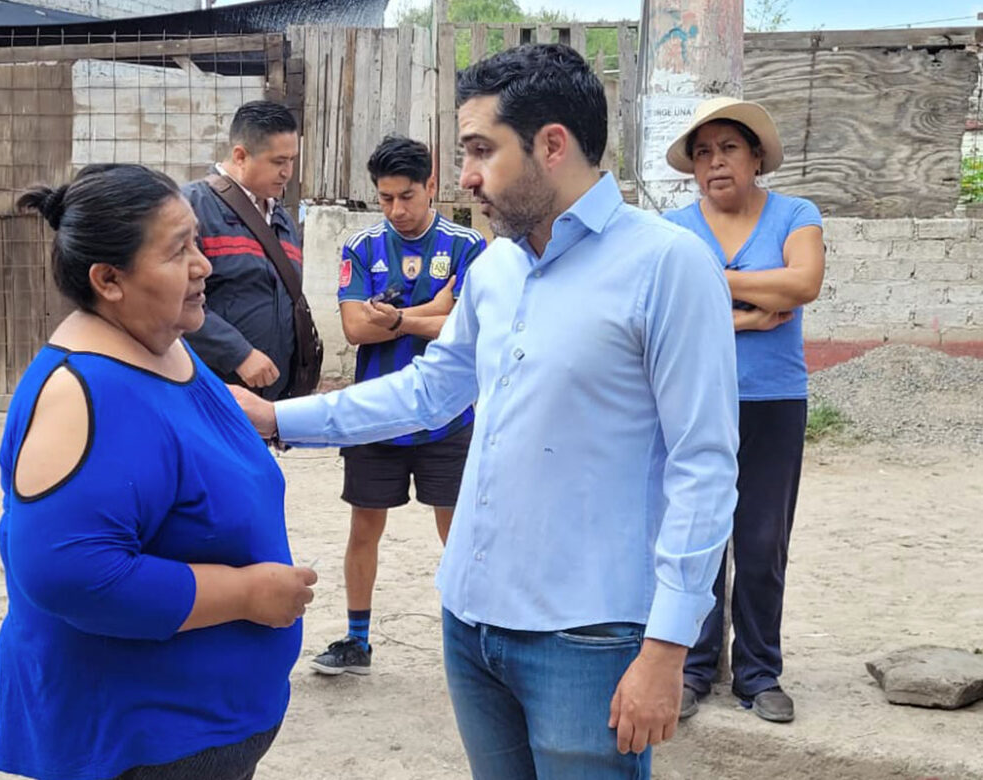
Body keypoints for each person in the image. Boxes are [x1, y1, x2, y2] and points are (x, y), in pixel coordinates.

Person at [231, 44, 738, 779]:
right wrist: (281, 420)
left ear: (553, 146)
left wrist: (667, 648)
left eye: (479, 150)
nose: (464, 176)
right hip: (470, 619)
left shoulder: (669, 267)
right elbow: (430, 391)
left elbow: (705, 464)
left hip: (587, 635)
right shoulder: (497, 269)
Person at [0, 163, 317, 780]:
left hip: (198, 726)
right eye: (179, 252)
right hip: (139, 740)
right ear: (109, 280)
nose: (204, 266)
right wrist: (248, 594)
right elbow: (69, 573)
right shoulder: (85, 393)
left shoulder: (162, 342)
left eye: (196, 241)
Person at [662, 97, 826, 724]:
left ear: (757, 157)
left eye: (729, 148)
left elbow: (803, 283)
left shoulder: (795, 213)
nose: (715, 162)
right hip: (694, 399)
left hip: (773, 401)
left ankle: (759, 674)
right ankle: (694, 669)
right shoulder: (675, 228)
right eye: (703, 152)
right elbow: (671, 309)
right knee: (695, 535)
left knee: (761, 541)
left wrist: (714, 281)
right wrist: (754, 305)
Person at [310, 135, 486, 676]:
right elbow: (355, 329)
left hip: (448, 416)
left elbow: (471, 329)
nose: (396, 210)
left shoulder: (468, 247)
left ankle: (475, 646)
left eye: (407, 196)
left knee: (457, 533)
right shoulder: (361, 247)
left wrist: (401, 319)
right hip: (376, 416)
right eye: (385, 198)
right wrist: (432, 313)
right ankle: (357, 641)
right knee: (365, 527)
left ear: (432, 186)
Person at [182, 100, 311, 400]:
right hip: (210, 392)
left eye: (292, 160)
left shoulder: (282, 219)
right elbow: (172, 301)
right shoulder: (191, 208)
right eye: (278, 161)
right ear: (240, 155)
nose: (288, 173)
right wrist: (237, 353)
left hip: (266, 403)